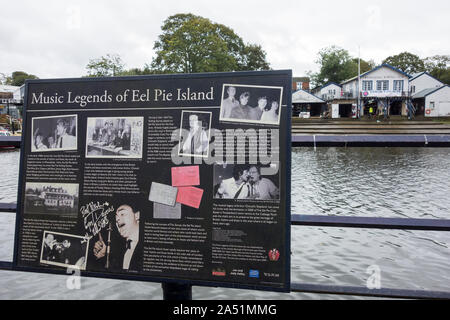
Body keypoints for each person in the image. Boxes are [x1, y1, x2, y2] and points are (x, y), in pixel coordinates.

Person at [93, 204, 141, 271]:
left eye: (122, 214)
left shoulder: (148, 245)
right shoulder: (119, 252)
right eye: (116, 217)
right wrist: (101, 256)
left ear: (136, 216)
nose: (117, 219)